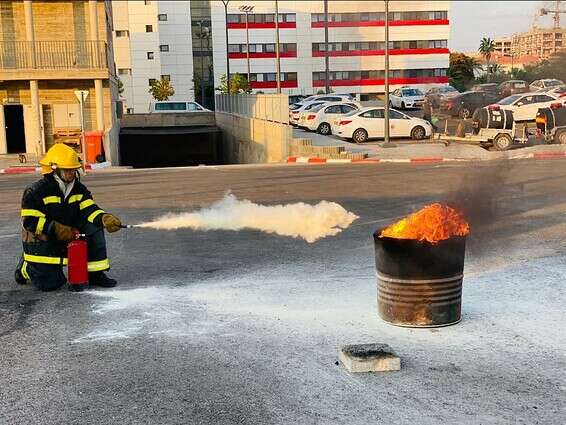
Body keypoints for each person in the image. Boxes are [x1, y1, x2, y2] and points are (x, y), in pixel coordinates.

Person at [14, 144, 122, 291]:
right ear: (54, 169)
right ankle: (26, 266)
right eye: (67, 170)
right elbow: (30, 222)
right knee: (51, 284)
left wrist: (104, 218)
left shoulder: (78, 189)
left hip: (70, 235)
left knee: (94, 226)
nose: (71, 173)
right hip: (43, 242)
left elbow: (89, 210)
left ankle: (95, 274)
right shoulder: (36, 191)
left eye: (73, 169)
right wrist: (57, 229)